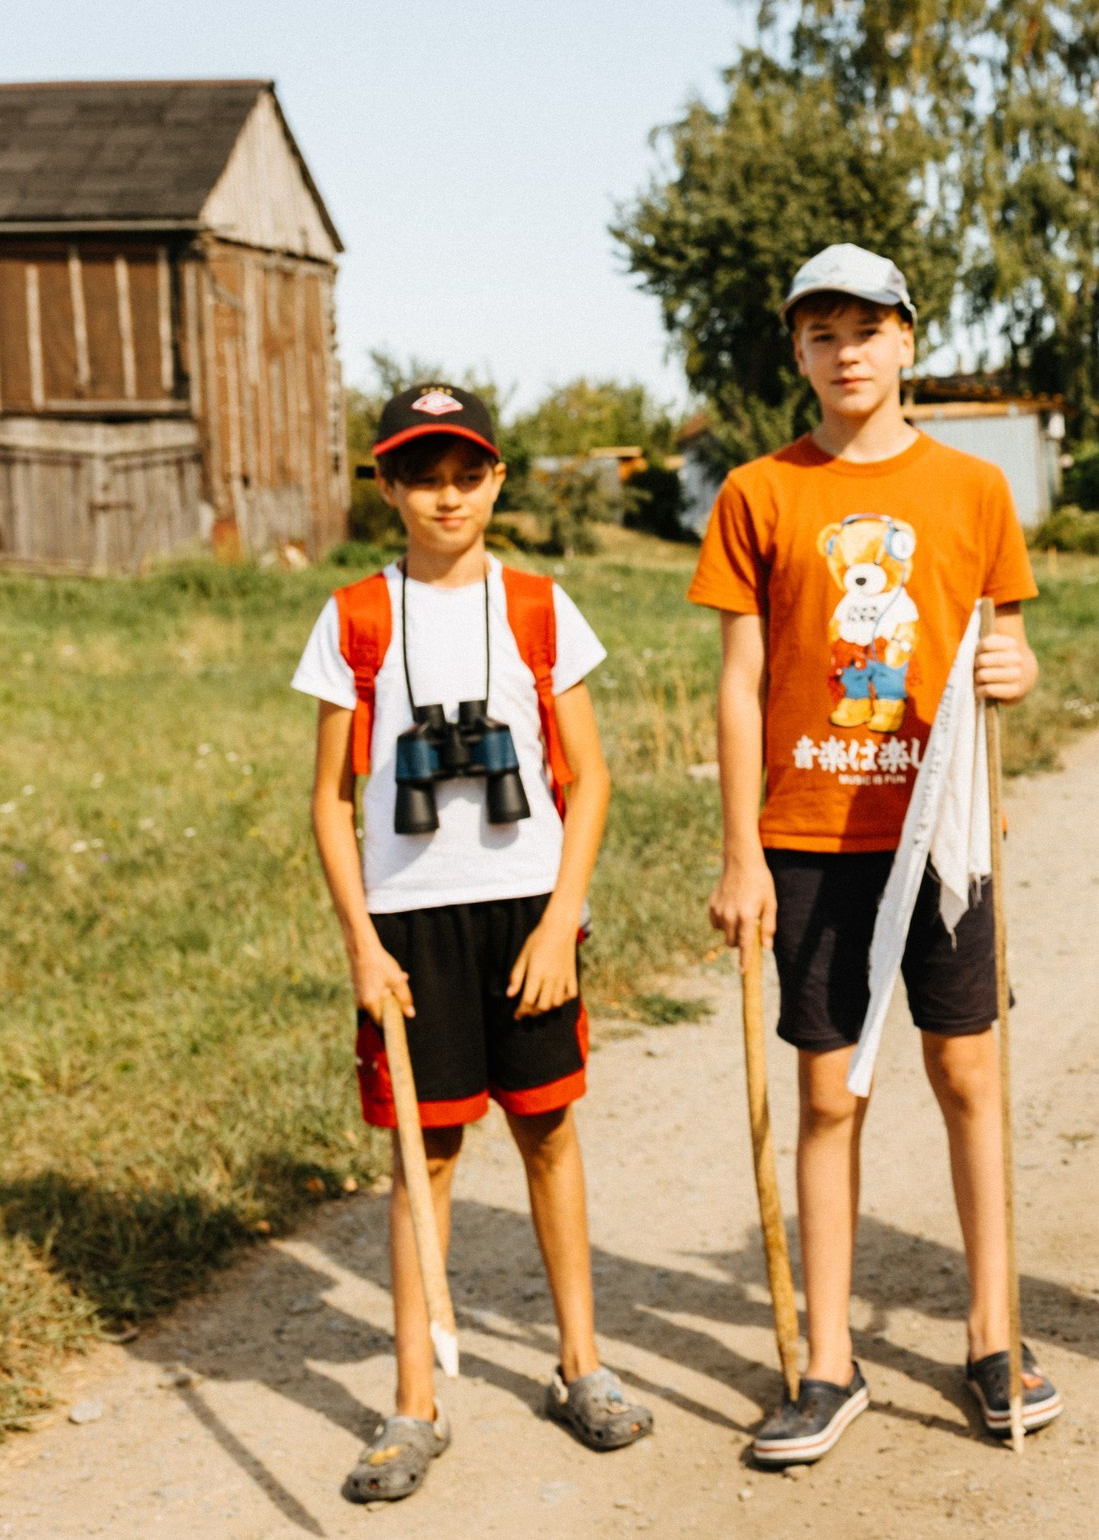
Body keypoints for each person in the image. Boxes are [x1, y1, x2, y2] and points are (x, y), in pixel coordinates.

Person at [689, 242, 1049, 1464]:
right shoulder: (757, 493)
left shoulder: (974, 490)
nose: (846, 353)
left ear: (908, 341)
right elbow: (740, 684)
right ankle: (829, 1359)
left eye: (866, 330)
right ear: (798, 352)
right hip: (809, 842)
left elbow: (1000, 652)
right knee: (831, 1093)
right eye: (820, 333)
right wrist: (741, 851)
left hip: (941, 839)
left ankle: (992, 1336)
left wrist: (1021, 668)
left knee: (968, 1080)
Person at [299, 384, 650, 1506]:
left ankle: (582, 1368)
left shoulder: (541, 606)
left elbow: (589, 778)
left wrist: (561, 919)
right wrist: (362, 942)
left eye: (467, 474)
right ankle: (414, 1404)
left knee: (548, 1131)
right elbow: (327, 798)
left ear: (495, 479)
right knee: (424, 1159)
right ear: (388, 487)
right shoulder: (354, 616)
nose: (445, 496)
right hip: (411, 925)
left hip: (524, 907)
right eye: (421, 476)